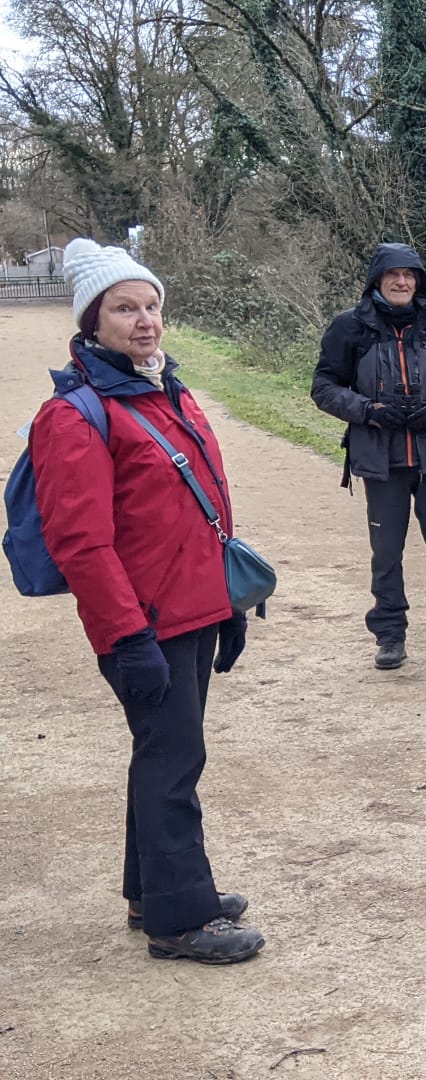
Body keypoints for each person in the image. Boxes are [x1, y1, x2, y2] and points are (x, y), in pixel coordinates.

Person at [31, 238, 264, 963]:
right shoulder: (75, 416)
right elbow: (83, 546)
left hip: (192, 608)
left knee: (164, 752)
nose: (144, 320)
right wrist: (125, 639)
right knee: (173, 762)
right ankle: (180, 920)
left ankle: (153, 890)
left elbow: (204, 512)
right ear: (91, 322)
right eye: (124, 308)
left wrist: (227, 605)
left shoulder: (168, 391)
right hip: (145, 623)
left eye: (151, 305)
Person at [312, 243, 426, 670]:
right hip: (380, 462)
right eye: (393, 276)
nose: (402, 282)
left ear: (419, 282)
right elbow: (324, 387)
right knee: (386, 553)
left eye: (409, 275)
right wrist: (368, 411)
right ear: (377, 280)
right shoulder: (349, 328)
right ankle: (389, 636)